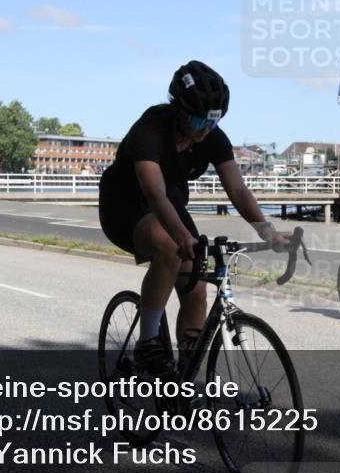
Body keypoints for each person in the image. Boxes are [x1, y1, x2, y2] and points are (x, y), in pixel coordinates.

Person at [99, 60, 289, 376]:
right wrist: (181, 237)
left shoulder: (212, 138)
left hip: (170, 205)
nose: (205, 129)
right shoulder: (152, 129)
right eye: (199, 119)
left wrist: (267, 231)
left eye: (213, 122)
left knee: (197, 290)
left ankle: (183, 378)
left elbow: (238, 191)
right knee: (170, 247)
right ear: (179, 108)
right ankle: (149, 344)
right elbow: (154, 194)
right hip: (126, 205)